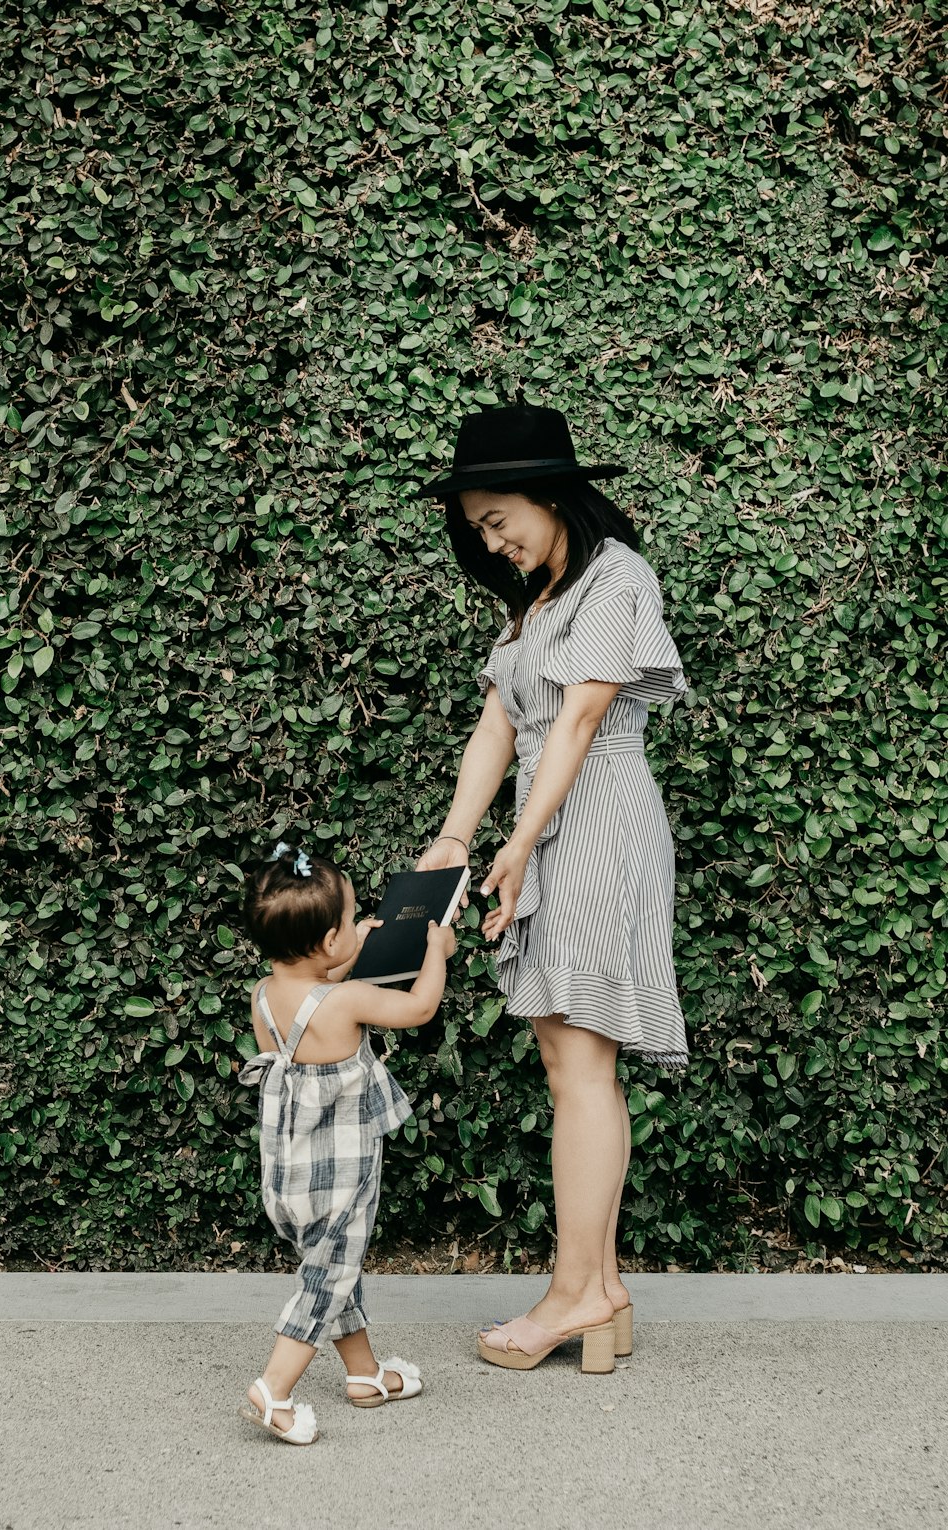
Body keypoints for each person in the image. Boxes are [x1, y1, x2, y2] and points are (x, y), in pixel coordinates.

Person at [415, 404, 688, 1374]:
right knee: (570, 1068)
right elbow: (502, 726)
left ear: (551, 492)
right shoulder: (534, 602)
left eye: (501, 518)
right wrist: (456, 838)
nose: (494, 540)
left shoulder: (616, 576)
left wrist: (521, 844)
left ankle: (579, 1293)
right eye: (480, 530)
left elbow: (575, 728)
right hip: (551, 825)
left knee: (582, 1070)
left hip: (598, 821)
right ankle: (597, 1290)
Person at [237, 839, 457, 1443]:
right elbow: (417, 1007)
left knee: (336, 1266)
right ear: (330, 943)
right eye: (349, 920)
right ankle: (274, 1389)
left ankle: (363, 1374)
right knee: (327, 1277)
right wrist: (436, 952)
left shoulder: (264, 995)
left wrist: (350, 942)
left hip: (288, 1173)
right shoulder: (348, 1000)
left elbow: (315, 984)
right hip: (340, 1169)